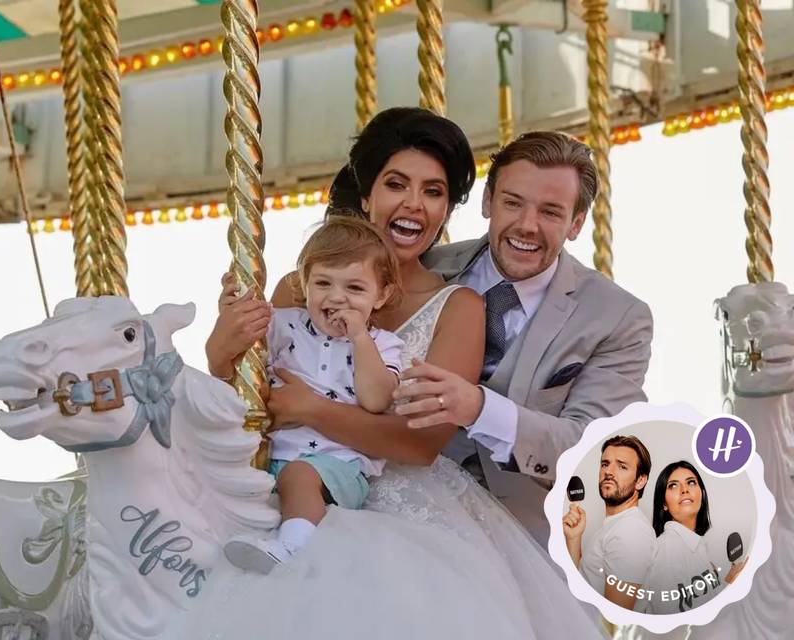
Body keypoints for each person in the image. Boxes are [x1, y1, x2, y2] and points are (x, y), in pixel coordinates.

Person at [194, 107, 607, 640]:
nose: (414, 204)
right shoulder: (301, 289)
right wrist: (221, 350)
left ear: (447, 210)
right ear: (365, 194)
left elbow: (420, 444)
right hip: (285, 482)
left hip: (402, 502)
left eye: (433, 192)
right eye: (396, 184)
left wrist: (314, 410)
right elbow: (252, 403)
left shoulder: (456, 305)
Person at [393, 131, 654, 543]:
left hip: (522, 534)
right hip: (404, 516)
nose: (527, 226)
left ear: (577, 223)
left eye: (551, 212)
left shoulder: (617, 317)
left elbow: (596, 451)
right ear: (487, 202)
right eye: (512, 203)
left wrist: (479, 408)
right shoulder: (422, 268)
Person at [212, 217, 406, 573]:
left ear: (382, 295)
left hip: (337, 466)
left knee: (299, 476)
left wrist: (360, 338)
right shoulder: (281, 324)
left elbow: (377, 400)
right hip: (270, 456)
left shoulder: (383, 346)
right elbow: (231, 368)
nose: (336, 297)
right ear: (303, 283)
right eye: (322, 283)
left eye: (355, 288)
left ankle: (293, 549)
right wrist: (231, 314)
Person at [637, 460, 748, 615]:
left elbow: (701, 604)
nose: (684, 490)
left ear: (701, 493)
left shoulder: (696, 545)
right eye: (673, 485)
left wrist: (728, 580)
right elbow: (677, 624)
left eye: (691, 482)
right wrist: (729, 588)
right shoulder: (669, 548)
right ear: (664, 504)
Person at [562, 435, 657, 610]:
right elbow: (586, 580)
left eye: (622, 466)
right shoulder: (616, 525)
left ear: (640, 481)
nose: (609, 472)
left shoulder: (631, 531)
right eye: (605, 464)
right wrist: (574, 539)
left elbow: (613, 616)